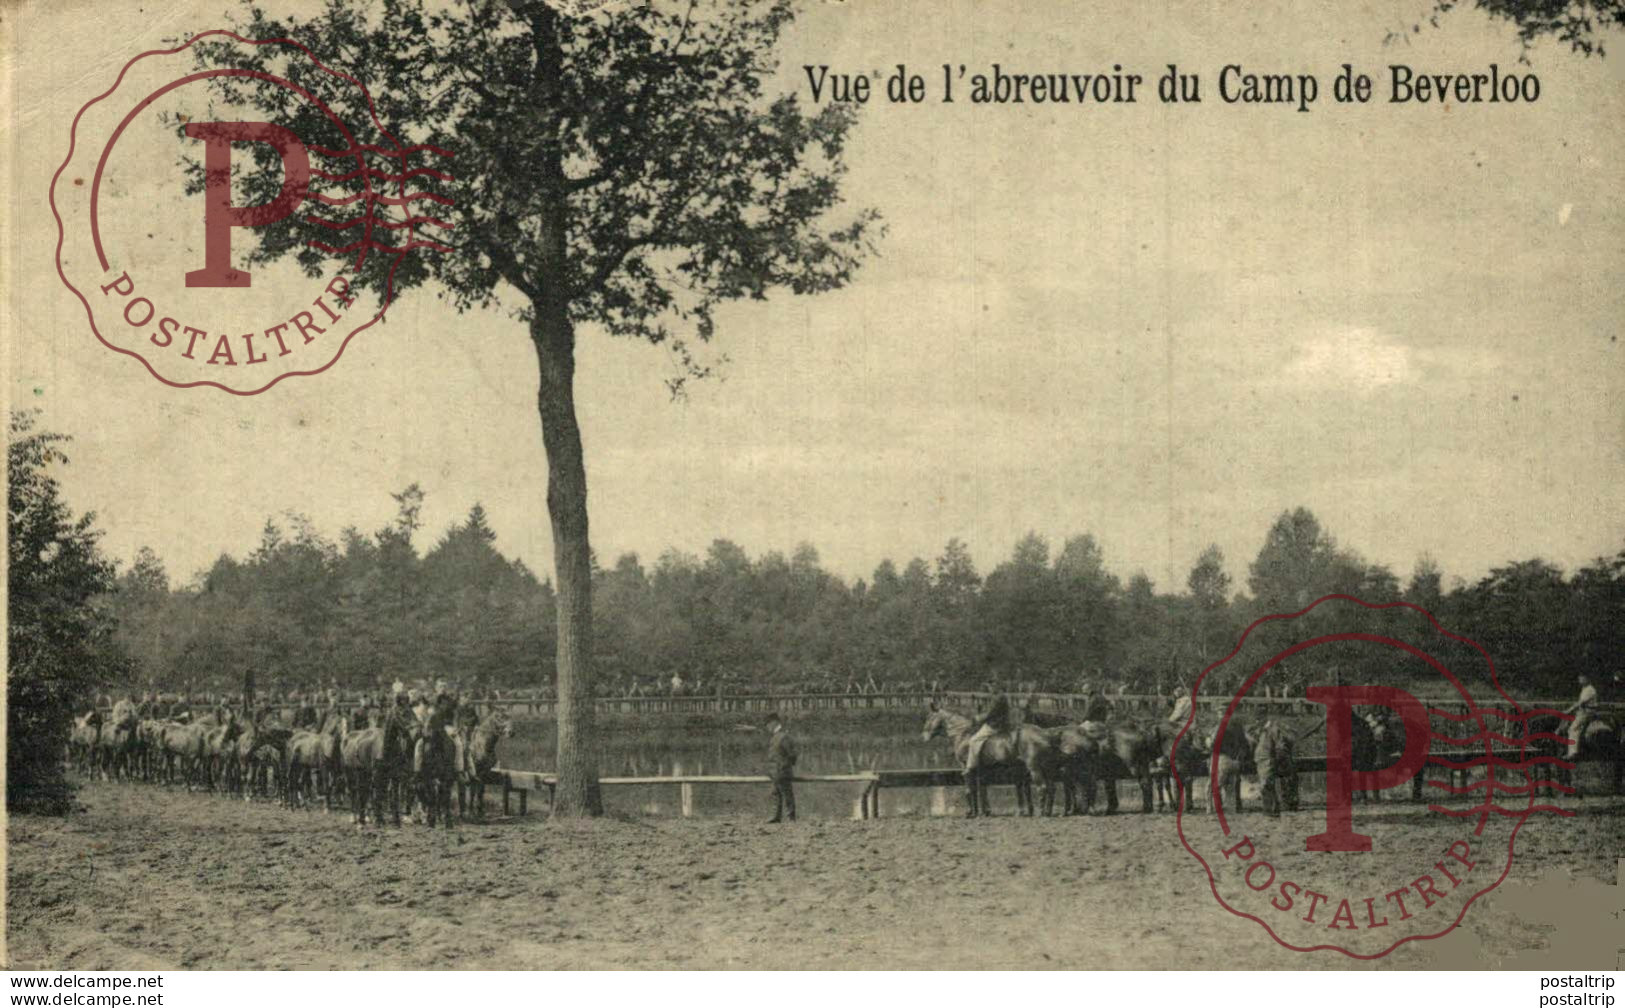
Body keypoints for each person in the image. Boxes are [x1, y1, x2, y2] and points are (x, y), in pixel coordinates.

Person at [965, 693, 1013, 774]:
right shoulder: (1002, 696)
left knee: (973, 740)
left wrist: (977, 718)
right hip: (1003, 723)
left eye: (991, 685)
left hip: (995, 724)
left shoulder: (997, 697)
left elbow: (990, 713)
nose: (990, 688)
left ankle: (970, 767)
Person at [765, 712, 797, 823]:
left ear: (774, 723)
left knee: (787, 794)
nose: (767, 727)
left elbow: (792, 754)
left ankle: (791, 817)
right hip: (775, 772)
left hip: (782, 771)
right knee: (775, 794)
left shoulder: (784, 737)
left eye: (768, 724)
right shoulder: (776, 736)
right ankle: (776, 816)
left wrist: (786, 765)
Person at [1565, 673, 1600, 758]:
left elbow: (1581, 703)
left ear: (1587, 679)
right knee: (1568, 723)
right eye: (1579, 678)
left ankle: (1573, 753)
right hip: (1584, 711)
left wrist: (1569, 710)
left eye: (1582, 678)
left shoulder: (1590, 690)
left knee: (1573, 729)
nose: (1580, 680)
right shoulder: (1585, 689)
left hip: (1587, 712)